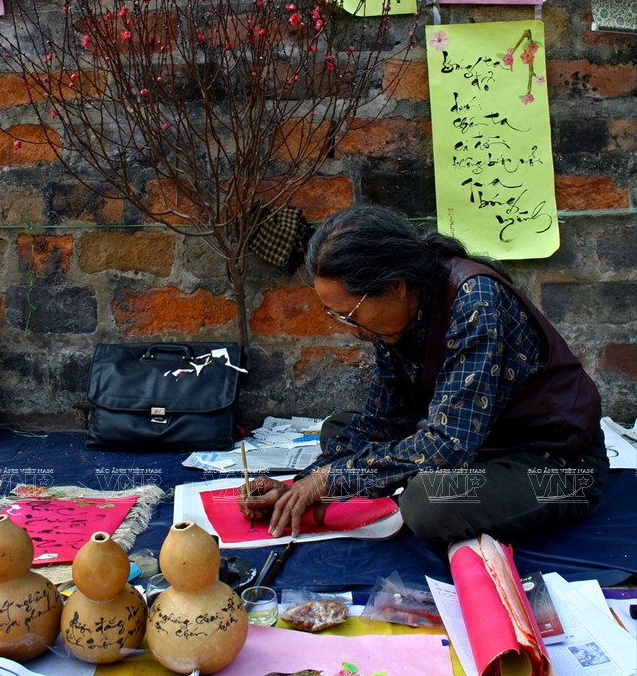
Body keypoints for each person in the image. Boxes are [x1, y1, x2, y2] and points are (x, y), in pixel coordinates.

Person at [239, 205, 609, 545]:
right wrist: (302, 483)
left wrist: (332, 479)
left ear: (395, 286)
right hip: (482, 447)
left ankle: (406, 486)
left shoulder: (475, 299)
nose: (350, 328)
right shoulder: (397, 317)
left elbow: (447, 445)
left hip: (556, 468)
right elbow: (381, 421)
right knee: (339, 431)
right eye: (338, 316)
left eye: (350, 314)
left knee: (428, 501)